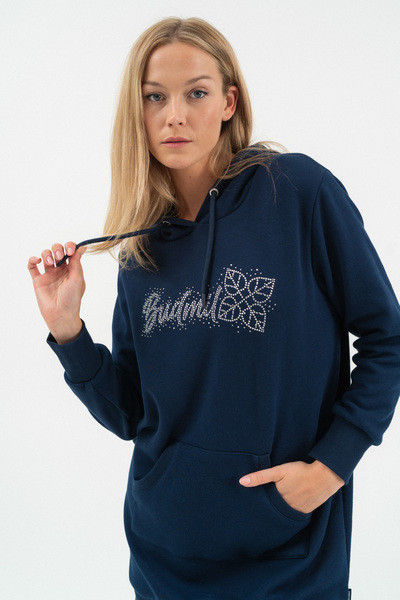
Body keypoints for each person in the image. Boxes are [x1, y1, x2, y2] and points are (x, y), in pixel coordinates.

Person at [28, 16, 400, 600]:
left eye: (196, 93)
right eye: (155, 97)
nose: (174, 115)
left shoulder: (296, 192)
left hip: (290, 559)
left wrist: (332, 466)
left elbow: (388, 340)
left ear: (229, 102)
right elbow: (131, 414)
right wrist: (69, 332)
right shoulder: (141, 248)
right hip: (163, 561)